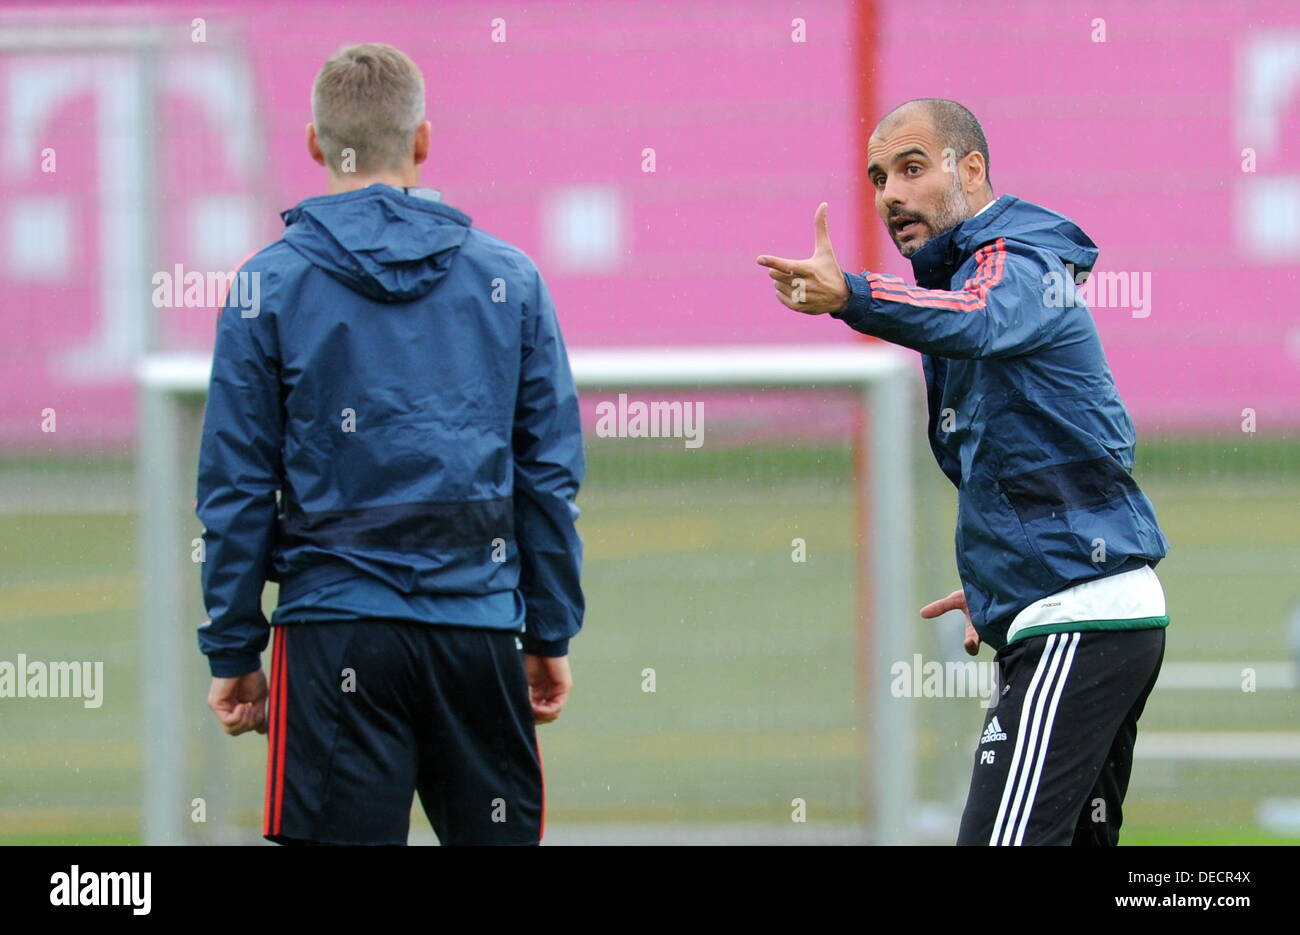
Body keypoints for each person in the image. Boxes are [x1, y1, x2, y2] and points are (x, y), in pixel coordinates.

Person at [195, 43, 584, 846]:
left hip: (335, 631)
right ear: (424, 141)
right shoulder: (509, 278)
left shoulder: (266, 286)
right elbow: (547, 477)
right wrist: (548, 630)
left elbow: (235, 486)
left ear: (313, 143)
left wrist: (234, 645)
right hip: (477, 628)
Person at [756, 98, 1170, 846]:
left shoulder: (1018, 258)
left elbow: (978, 319)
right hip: (1077, 613)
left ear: (970, 169)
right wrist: (1002, 575)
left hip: (1079, 620)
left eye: (913, 168)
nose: (891, 194)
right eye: (879, 177)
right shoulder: (966, 283)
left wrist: (852, 294)